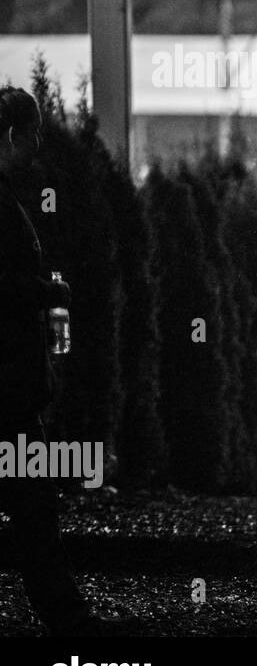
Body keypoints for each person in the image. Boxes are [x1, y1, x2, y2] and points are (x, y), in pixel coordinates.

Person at [0, 87, 126, 635]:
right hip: (7, 388)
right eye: (33, 135)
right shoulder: (4, 200)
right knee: (34, 507)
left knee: (33, 507)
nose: (37, 147)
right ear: (12, 135)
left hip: (11, 388)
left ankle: (66, 617)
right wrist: (48, 292)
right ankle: (69, 622)